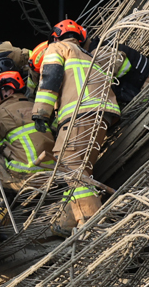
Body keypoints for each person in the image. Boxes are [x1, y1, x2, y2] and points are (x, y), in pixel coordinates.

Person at [31, 20, 120, 232]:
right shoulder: (89, 55)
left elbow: (50, 78)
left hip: (80, 114)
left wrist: (41, 113)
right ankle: (67, 221)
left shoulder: (57, 48)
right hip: (103, 115)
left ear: (54, 37)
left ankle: (91, 223)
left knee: (70, 167)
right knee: (80, 169)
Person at [0, 71, 56, 197]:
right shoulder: (36, 107)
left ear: (8, 91)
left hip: (24, 176)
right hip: (51, 173)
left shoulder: (0, 114)